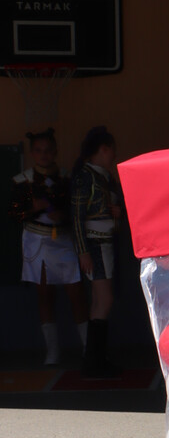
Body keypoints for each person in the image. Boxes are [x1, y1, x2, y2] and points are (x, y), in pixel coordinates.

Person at [12, 128, 87, 365]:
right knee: (45, 294)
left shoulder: (67, 178)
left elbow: (77, 210)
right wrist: (33, 208)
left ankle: (89, 349)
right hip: (36, 241)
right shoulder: (22, 181)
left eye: (47, 150)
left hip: (63, 239)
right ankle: (52, 352)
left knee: (76, 293)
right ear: (32, 153)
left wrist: (63, 216)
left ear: (55, 152)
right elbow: (13, 213)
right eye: (38, 150)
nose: (43, 154)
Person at [70, 127, 123, 378]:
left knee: (99, 302)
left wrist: (118, 214)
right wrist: (83, 251)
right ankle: (94, 360)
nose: (114, 155)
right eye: (112, 150)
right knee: (105, 300)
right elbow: (76, 217)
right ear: (104, 149)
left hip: (104, 243)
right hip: (95, 244)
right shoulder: (86, 177)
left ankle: (95, 359)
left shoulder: (103, 176)